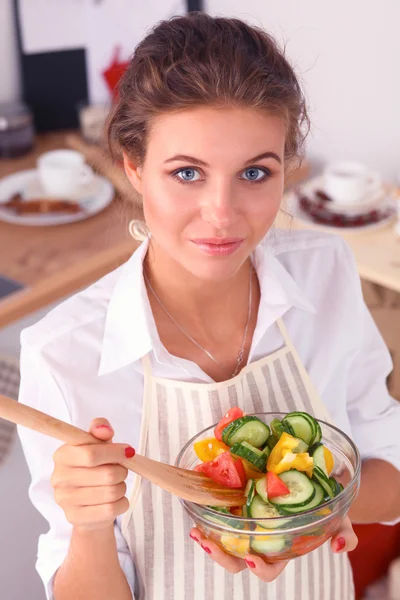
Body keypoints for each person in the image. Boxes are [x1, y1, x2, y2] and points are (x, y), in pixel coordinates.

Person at [17, 12, 400, 600]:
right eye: (187, 173)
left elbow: (390, 467)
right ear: (134, 168)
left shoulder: (325, 271)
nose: (222, 214)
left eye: (254, 172)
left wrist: (307, 517)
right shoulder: (64, 352)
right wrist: (88, 525)